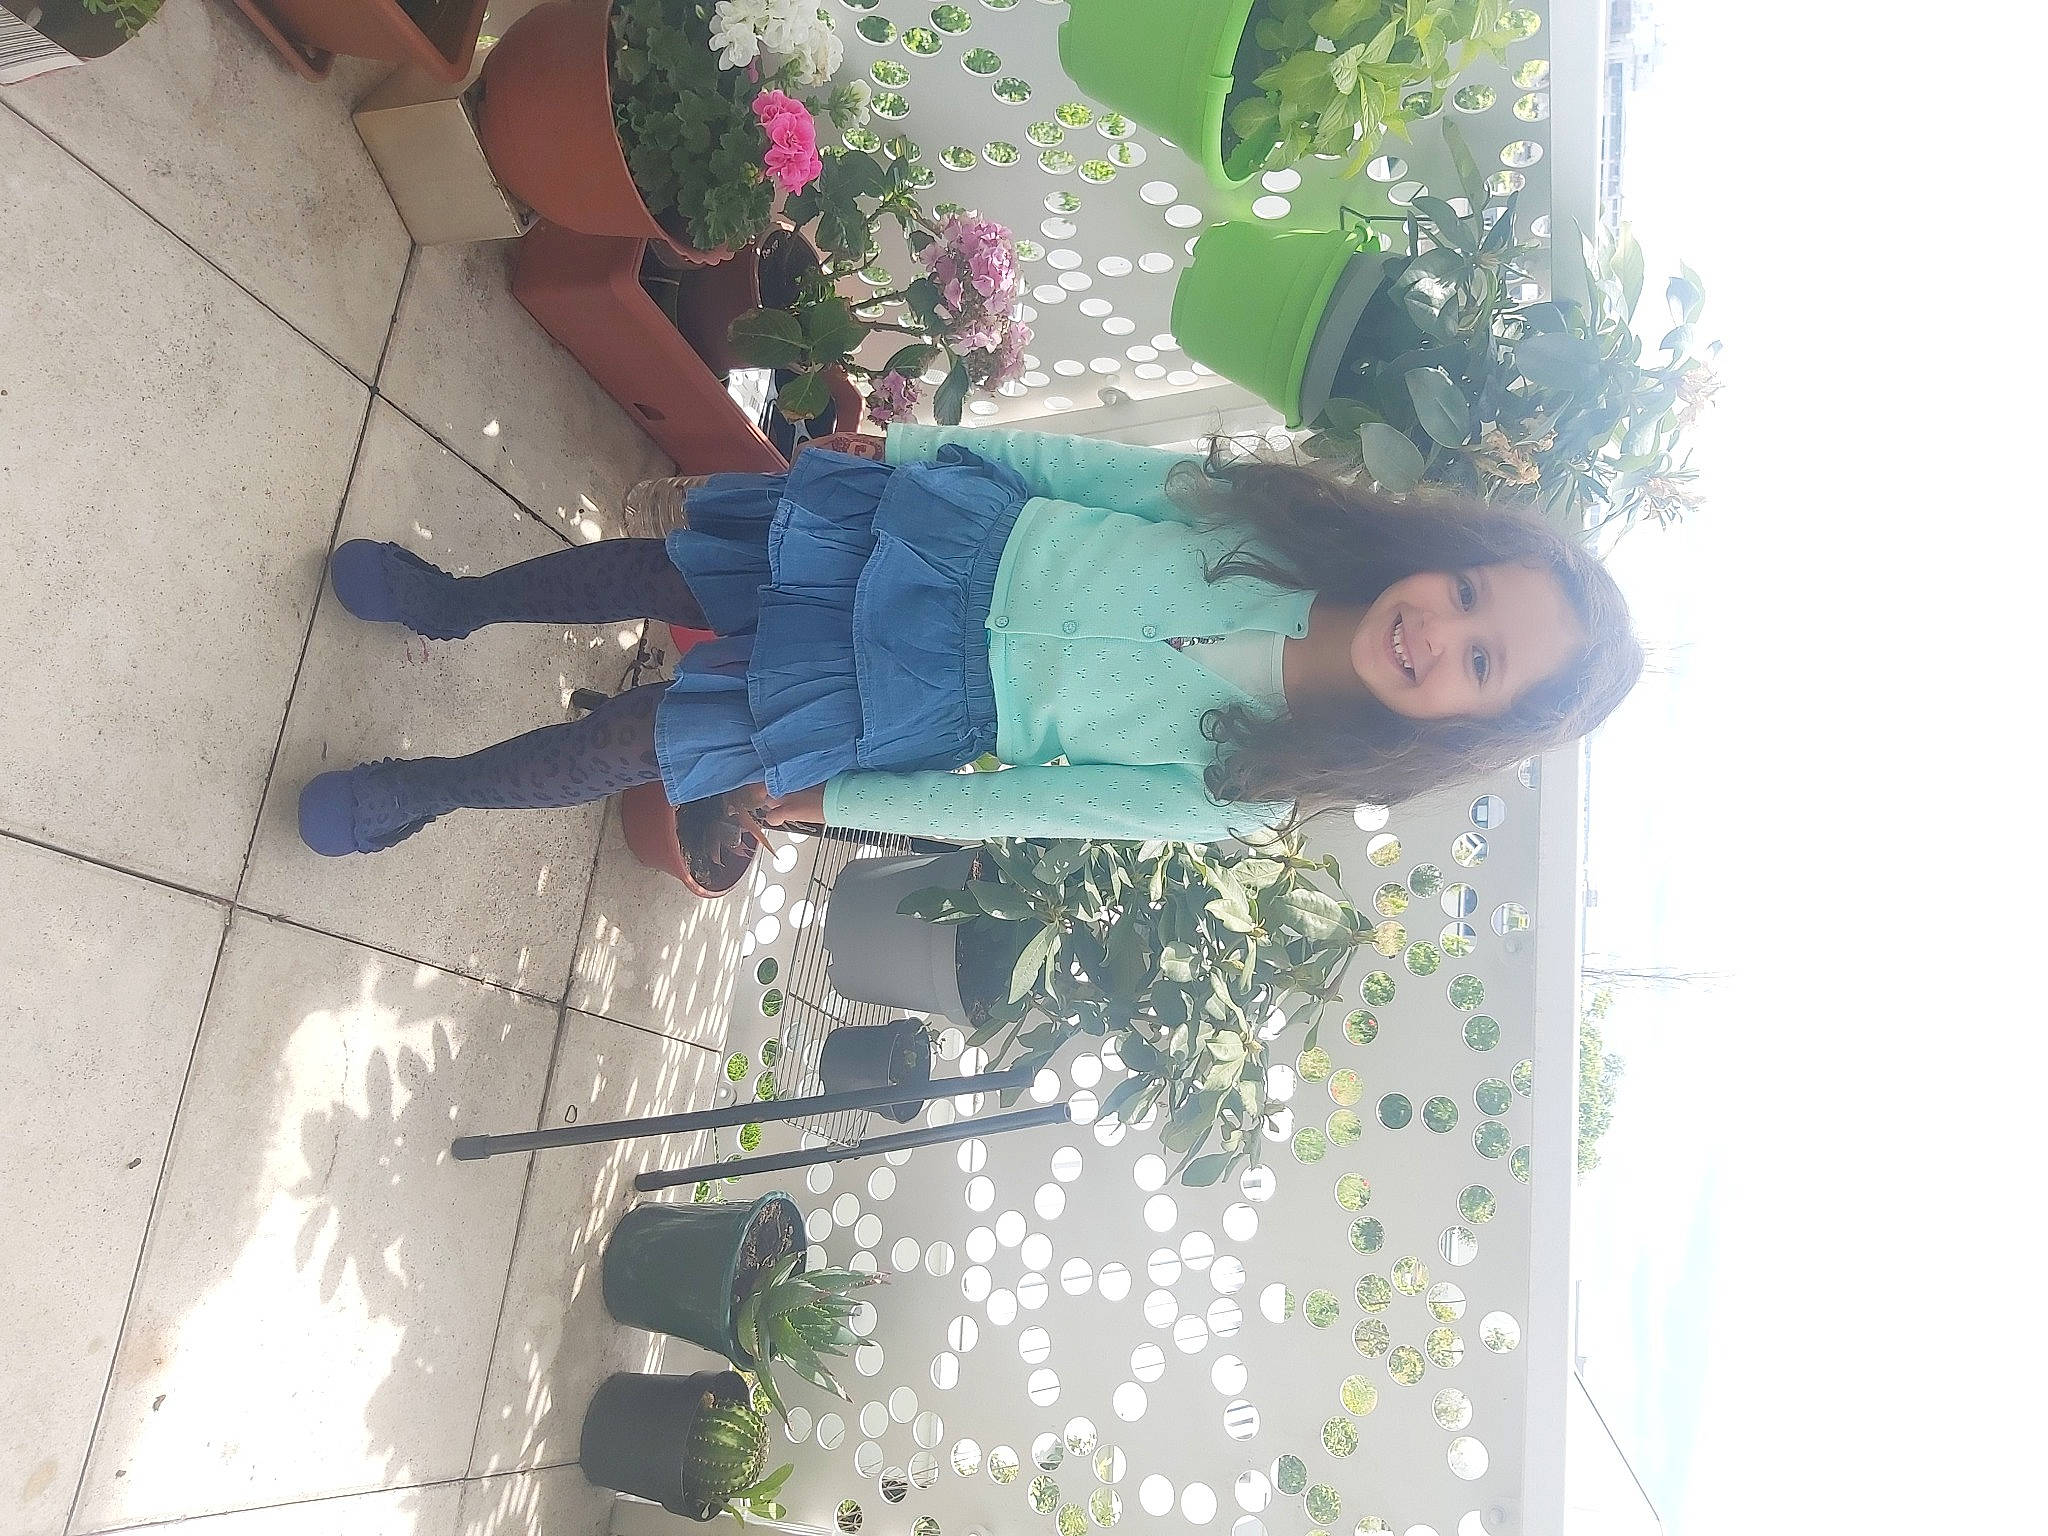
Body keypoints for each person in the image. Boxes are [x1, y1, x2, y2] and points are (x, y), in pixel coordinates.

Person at [297, 427, 1642, 868]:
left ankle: (429, 790)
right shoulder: (1288, 520)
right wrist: (942, 458)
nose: (1441, 633)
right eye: (1472, 598)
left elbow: (1043, 807)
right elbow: (1090, 470)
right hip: (943, 541)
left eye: (1482, 663)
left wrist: (845, 800)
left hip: (923, 694)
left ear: (1469, 722)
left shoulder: (1262, 785)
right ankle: (457, 600)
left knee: (648, 740)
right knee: (668, 569)